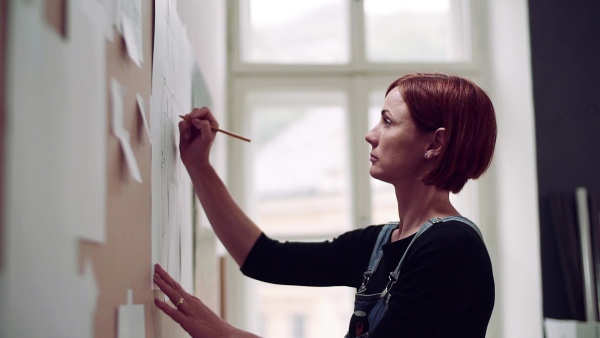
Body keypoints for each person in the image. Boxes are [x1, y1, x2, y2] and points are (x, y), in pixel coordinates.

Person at [153, 72, 497, 338]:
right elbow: (265, 259)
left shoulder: (451, 247)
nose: (371, 134)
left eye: (388, 122)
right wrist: (198, 165)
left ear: (434, 143)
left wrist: (226, 334)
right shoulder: (379, 244)